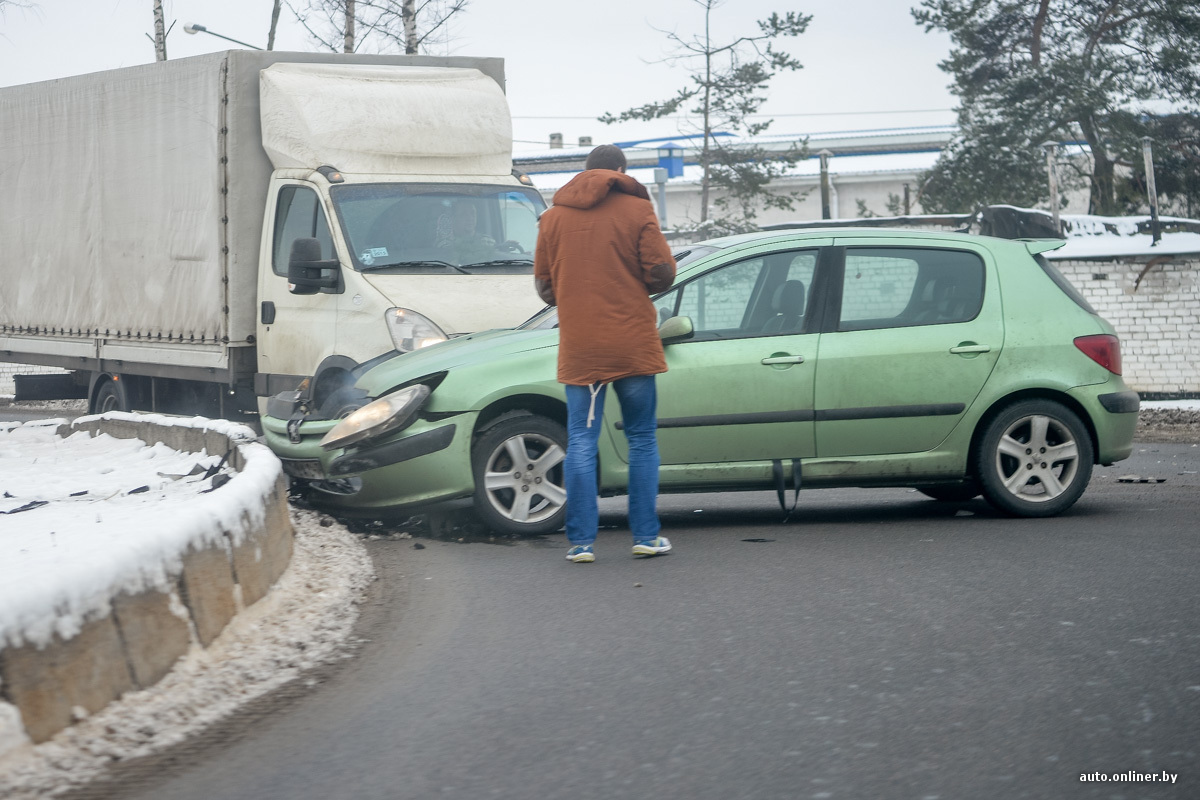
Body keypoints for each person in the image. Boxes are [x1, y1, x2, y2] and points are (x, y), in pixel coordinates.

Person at [533, 144, 676, 563]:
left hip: (582, 348)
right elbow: (663, 272)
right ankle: (646, 537)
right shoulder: (637, 211)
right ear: (620, 171)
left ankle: (581, 543)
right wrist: (634, 286)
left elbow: (545, 287)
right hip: (631, 342)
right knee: (642, 439)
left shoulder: (552, 218)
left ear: (585, 171)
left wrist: (575, 294)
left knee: (581, 440)